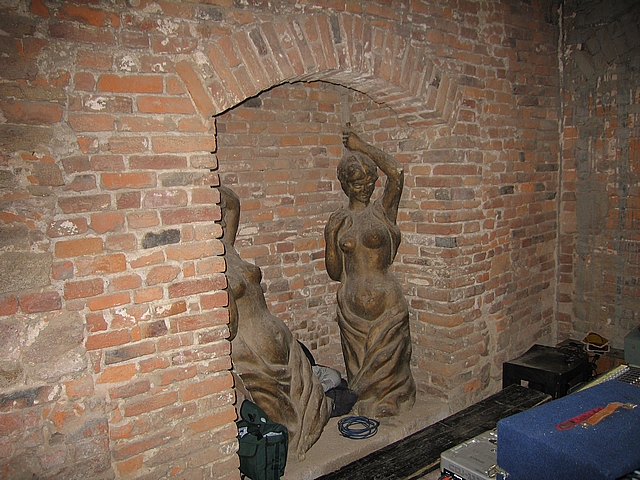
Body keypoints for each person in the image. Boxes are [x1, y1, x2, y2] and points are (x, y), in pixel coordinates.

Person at [220, 185, 332, 461]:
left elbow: (233, 203)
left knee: (310, 404)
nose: (221, 217)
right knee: (280, 416)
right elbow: (228, 326)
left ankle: (300, 439)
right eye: (214, 213)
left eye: (219, 212)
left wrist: (207, 186)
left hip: (279, 339)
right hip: (252, 352)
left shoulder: (227, 248)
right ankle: (284, 453)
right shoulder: (210, 261)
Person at [324, 129, 416, 418]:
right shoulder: (340, 220)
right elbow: (335, 272)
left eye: (369, 181)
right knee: (360, 382)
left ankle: (394, 397)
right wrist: (330, 235)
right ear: (344, 184)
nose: (364, 188)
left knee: (392, 369)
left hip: (387, 305)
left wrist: (362, 146)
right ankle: (365, 400)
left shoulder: (382, 211)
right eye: (356, 182)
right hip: (352, 314)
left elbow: (396, 173)